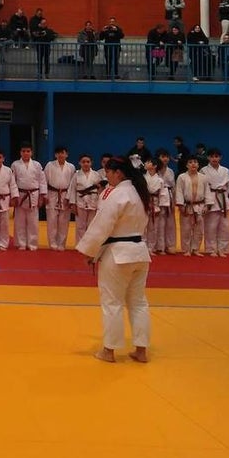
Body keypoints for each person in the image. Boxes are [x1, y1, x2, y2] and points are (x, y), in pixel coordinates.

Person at [76, 156, 152, 364]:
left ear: (118, 173)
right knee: (138, 303)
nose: (106, 176)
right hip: (140, 252)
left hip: (118, 254)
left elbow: (102, 225)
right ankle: (141, 350)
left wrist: (89, 251)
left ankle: (109, 351)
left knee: (112, 303)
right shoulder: (140, 193)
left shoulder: (119, 194)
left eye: (108, 172)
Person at [11, 143, 46, 250]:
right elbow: (12, 182)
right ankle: (21, 243)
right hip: (20, 195)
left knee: (33, 222)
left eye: (28, 151)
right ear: (20, 152)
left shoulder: (37, 165)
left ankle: (32, 244)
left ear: (31, 152)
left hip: (33, 195)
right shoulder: (15, 165)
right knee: (19, 221)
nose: (26, 153)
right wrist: (14, 196)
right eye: (23, 151)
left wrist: (42, 196)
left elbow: (42, 181)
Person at [200, 149, 229, 256]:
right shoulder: (203, 170)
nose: (214, 158)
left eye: (216, 156)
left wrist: (225, 198)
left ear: (220, 157)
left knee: (224, 227)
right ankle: (211, 249)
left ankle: (223, 249)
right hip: (211, 199)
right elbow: (203, 187)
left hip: (223, 199)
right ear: (208, 158)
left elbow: (227, 187)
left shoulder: (225, 170)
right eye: (212, 156)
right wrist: (206, 202)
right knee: (210, 226)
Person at [45, 146, 75, 250]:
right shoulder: (50, 165)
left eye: (63, 153)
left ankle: (61, 244)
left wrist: (70, 198)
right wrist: (45, 195)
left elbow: (72, 184)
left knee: (64, 221)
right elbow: (45, 181)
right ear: (55, 155)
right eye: (58, 153)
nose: (61, 155)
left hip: (65, 195)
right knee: (52, 220)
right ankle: (53, 244)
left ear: (67, 154)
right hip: (52, 194)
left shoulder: (71, 167)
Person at [69, 154, 101, 243]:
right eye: (83, 162)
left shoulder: (96, 175)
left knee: (91, 225)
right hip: (80, 202)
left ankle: (89, 245)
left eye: (88, 162)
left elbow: (100, 190)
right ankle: (80, 245)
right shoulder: (76, 175)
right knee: (80, 225)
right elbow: (72, 189)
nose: (86, 164)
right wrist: (73, 204)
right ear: (79, 163)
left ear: (91, 163)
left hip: (93, 201)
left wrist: (100, 204)